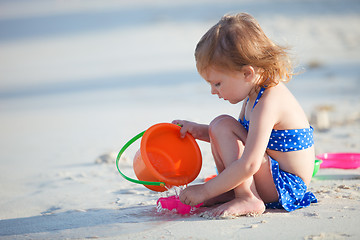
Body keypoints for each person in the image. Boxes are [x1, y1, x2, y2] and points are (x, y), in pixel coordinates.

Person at [172, 13, 317, 217]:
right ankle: (234, 191)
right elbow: (243, 136)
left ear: (247, 73)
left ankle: (248, 197)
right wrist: (199, 130)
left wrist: (205, 190)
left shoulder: (268, 102)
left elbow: (250, 163)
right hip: (271, 177)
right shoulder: (254, 93)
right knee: (219, 124)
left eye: (217, 83)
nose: (214, 91)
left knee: (223, 125)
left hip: (285, 186)